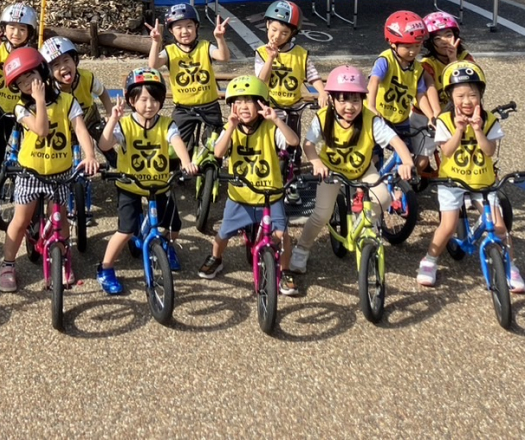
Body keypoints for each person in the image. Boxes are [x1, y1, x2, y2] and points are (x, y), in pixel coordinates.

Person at [289, 66, 416, 285]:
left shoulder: (370, 119)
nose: (350, 107)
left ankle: (367, 223)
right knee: (321, 214)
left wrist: (407, 161)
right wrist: (316, 162)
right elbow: (308, 144)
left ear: (363, 101)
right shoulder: (323, 117)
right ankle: (302, 249)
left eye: (356, 101)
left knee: (383, 197)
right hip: (332, 171)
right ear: (332, 100)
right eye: (343, 100)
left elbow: (395, 141)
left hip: (363, 170)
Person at [417, 62, 525, 293]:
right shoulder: (445, 121)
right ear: (450, 96)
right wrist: (459, 130)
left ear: (481, 95)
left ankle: (511, 267)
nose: (467, 101)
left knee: (499, 227)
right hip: (452, 182)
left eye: (472, 95)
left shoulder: (488, 121)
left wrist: (477, 130)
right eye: (460, 96)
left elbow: (489, 151)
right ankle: (430, 259)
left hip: (482, 182)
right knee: (447, 227)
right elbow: (446, 151)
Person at [0, 49, 98, 292]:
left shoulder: (67, 101)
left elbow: (80, 130)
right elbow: (41, 130)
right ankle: (8, 264)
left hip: (60, 172)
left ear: (42, 71)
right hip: (31, 172)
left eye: (30, 77)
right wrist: (39, 100)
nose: (27, 85)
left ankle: (63, 258)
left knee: (61, 218)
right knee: (20, 220)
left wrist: (90, 155)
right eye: (20, 83)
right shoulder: (22, 108)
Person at [95, 69, 197, 295]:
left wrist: (186, 162)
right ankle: (106, 268)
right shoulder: (126, 124)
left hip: (159, 183)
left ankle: (167, 247)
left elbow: (176, 141)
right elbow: (104, 144)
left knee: (174, 225)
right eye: (143, 99)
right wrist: (113, 118)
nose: (149, 105)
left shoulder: (167, 124)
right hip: (129, 184)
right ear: (132, 100)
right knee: (126, 230)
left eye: (155, 99)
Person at [197, 76, 301, 294]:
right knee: (222, 235)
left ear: (261, 103)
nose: (243, 106)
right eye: (239, 101)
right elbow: (218, 153)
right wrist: (231, 127)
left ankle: (286, 269)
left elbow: (293, 142)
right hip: (240, 196)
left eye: (249, 101)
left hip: (269, 195)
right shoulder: (231, 128)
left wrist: (277, 120)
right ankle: (216, 258)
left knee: (283, 236)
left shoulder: (270, 129)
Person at [147, 3, 230, 156]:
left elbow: (224, 57)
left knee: (214, 144)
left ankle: (211, 173)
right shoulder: (170, 51)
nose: (185, 31)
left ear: (196, 27)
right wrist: (155, 42)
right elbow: (153, 65)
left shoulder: (205, 46)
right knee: (176, 147)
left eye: (189, 26)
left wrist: (219, 38)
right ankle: (183, 172)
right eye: (178, 27)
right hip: (183, 108)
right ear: (171, 30)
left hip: (209, 105)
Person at [0, 2, 38, 201]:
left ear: (29, 32)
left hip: (25, 107)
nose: (16, 33)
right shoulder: (1, 49)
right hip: (2, 106)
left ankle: (30, 179)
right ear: (3, 29)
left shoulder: (31, 53)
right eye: (12, 28)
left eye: (22, 29)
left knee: (29, 144)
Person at [366, 10, 440, 170]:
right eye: (408, 47)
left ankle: (396, 185)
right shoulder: (385, 60)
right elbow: (374, 82)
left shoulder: (417, 68)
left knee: (406, 156)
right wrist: (371, 107)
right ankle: (367, 189)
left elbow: (420, 95)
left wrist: (431, 116)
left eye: (417, 46)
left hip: (401, 120)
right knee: (373, 157)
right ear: (393, 43)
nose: (413, 51)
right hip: (379, 117)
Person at [42, 35, 115, 176]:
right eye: (56, 65)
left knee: (103, 137)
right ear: (49, 71)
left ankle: (110, 155)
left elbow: (102, 92)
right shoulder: (51, 88)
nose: (63, 67)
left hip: (89, 116)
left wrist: (109, 111)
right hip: (68, 123)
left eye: (66, 60)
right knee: (65, 149)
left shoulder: (87, 78)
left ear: (75, 60)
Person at [254, 0, 327, 130]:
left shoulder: (301, 54)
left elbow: (313, 76)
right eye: (274, 30)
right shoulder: (261, 52)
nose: (277, 36)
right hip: (270, 107)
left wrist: (322, 92)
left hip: (294, 108)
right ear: (267, 24)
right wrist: (271, 58)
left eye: (284, 33)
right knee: (270, 143)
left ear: (292, 34)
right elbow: (261, 80)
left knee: (292, 143)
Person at [421, 11, 475, 110]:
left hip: (458, 110)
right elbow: (424, 92)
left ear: (456, 37)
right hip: (426, 114)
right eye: (437, 38)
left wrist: (453, 59)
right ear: (430, 43)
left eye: (448, 35)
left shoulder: (465, 58)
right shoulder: (427, 64)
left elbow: (471, 87)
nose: (444, 41)